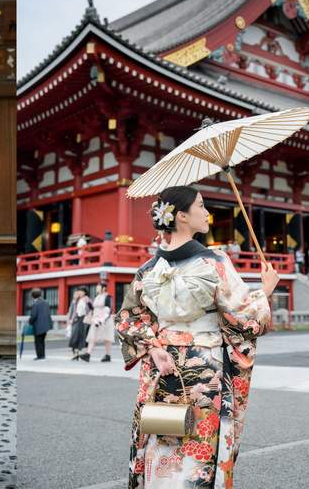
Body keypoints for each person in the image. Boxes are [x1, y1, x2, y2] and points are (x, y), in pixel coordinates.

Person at [116, 185, 275, 488]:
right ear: (182, 216)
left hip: (160, 368)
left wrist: (153, 348)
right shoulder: (214, 262)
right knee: (198, 444)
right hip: (203, 369)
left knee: (160, 434)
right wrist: (266, 289)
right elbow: (243, 317)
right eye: (201, 205)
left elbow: (128, 318)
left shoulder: (147, 269)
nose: (207, 212)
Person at [86, 283, 114, 362]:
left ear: (104, 288)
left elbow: (110, 309)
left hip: (106, 321)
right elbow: (93, 308)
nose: (97, 289)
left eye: (98, 287)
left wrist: (102, 319)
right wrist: (88, 303)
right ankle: (88, 354)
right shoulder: (97, 297)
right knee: (92, 336)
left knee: (107, 338)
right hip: (96, 320)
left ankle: (107, 355)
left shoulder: (108, 297)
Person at [27, 289, 53, 360]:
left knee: (38, 342)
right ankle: (42, 355)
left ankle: (40, 356)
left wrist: (29, 322)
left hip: (38, 326)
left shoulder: (35, 304)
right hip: (46, 325)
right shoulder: (46, 302)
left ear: (32, 296)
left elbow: (34, 315)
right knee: (42, 341)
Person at [68, 288, 91, 361]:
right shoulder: (76, 300)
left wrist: (89, 316)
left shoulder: (87, 299)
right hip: (76, 319)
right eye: (79, 291)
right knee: (74, 337)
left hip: (82, 319)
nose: (79, 293)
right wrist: (71, 319)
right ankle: (75, 353)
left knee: (78, 337)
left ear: (84, 292)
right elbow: (73, 311)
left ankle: (77, 353)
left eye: (81, 291)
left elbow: (91, 308)